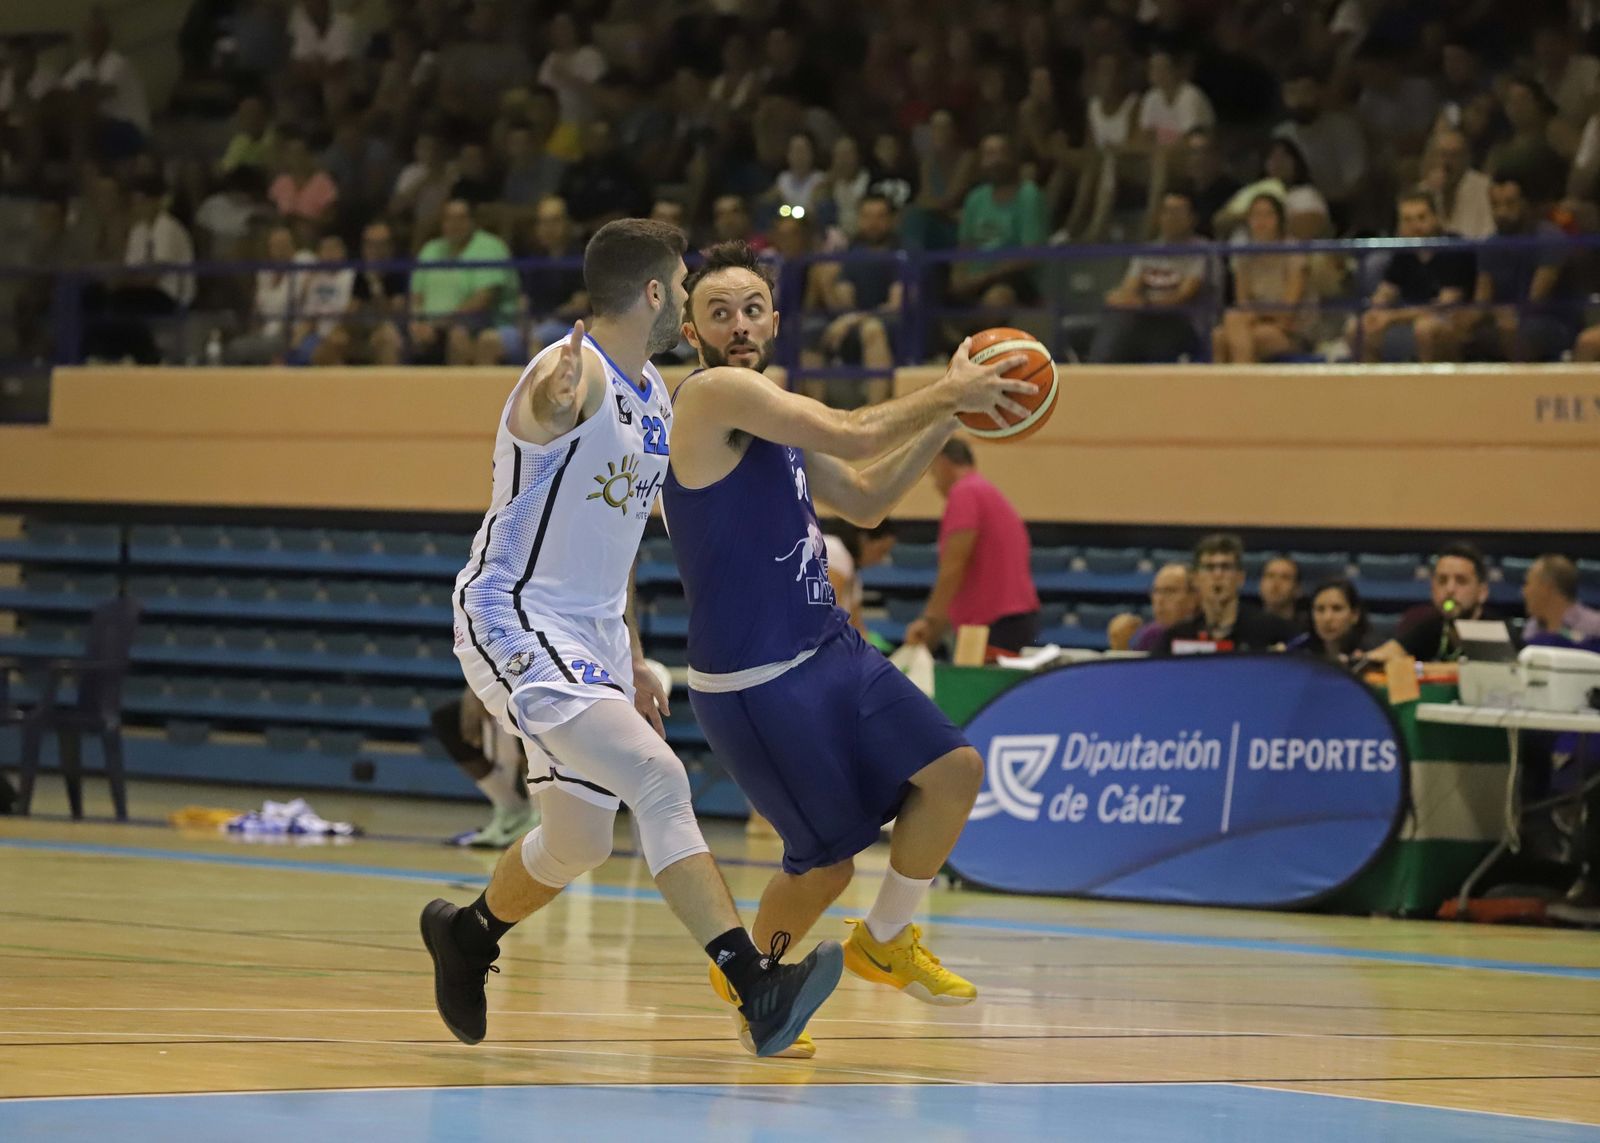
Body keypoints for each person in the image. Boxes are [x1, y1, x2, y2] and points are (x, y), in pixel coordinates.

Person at [422, 219, 842, 1060]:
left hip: (596, 630)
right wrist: (550, 401)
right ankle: (754, 984)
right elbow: (546, 408)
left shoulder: (655, 391)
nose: (690, 302)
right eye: (685, 286)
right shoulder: (563, 371)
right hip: (516, 611)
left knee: (579, 838)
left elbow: (611, 539)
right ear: (655, 293)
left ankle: (466, 935)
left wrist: (633, 652)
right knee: (657, 776)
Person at [663, 240, 1032, 1057]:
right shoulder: (711, 396)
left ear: (775, 319)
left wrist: (947, 415)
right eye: (718, 312)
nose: (738, 324)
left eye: (752, 308)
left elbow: (865, 498)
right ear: (690, 330)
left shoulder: (774, 414)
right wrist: (949, 388)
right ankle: (758, 990)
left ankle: (886, 938)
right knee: (825, 866)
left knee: (956, 772)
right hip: (757, 681)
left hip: (831, 648)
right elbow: (857, 433)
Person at [904, 439, 1041, 654]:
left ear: (943, 462)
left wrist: (930, 624)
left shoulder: (964, 493)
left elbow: (954, 566)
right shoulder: (986, 492)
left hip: (992, 625)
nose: (935, 483)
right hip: (1012, 618)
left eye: (933, 472)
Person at [1087, 187, 1209, 364]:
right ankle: (1096, 372)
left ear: (1192, 218)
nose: (1170, 217)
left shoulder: (1201, 250)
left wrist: (1146, 303)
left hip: (1181, 320)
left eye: (1177, 212)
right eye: (1166, 211)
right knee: (1117, 318)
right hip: (1145, 317)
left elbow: (1183, 295)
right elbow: (1128, 289)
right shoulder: (1148, 251)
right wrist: (1120, 298)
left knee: (1153, 339)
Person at [1356, 191, 1478, 363]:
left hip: (1455, 318)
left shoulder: (1454, 248)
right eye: (1407, 220)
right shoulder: (1404, 252)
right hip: (1412, 315)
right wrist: (1373, 312)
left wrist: (1391, 317)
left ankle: (1428, 388)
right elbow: (1385, 292)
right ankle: (1372, 388)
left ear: (1436, 218)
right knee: (1359, 327)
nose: (1415, 226)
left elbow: (1444, 304)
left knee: (1425, 328)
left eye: (1421, 218)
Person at [408, 199, 520, 366]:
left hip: (481, 323)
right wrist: (417, 323)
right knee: (387, 336)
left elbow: (483, 299)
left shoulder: (489, 247)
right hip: (431, 327)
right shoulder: (430, 249)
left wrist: (441, 323)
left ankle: (464, 392)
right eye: (449, 219)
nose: (454, 224)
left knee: (458, 335)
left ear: (472, 221)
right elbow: (416, 296)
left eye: (461, 218)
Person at [1211, 194, 1315, 364]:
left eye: (1268, 215)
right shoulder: (1245, 255)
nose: (1262, 221)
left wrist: (1257, 313)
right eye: (1256, 215)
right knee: (1218, 336)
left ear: (1279, 219)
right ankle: (1235, 382)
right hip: (1252, 324)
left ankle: (1242, 384)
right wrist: (1254, 315)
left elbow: (1287, 310)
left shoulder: (1293, 252)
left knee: (1237, 335)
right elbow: (1242, 303)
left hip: (1291, 330)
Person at [428, 687, 536, 848]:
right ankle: (510, 808)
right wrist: (475, 693)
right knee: (447, 718)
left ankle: (541, 816)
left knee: (526, 714)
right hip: (498, 685)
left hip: (543, 692)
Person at [1159, 534, 1294, 654]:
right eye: (1209, 568)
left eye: (1226, 567)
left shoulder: (1273, 631)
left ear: (1240, 577)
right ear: (1195, 579)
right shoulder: (1178, 636)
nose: (1218, 575)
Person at [1386, 542, 1495, 662]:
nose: (1450, 589)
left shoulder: (1498, 633)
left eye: (1461, 581)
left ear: (1482, 592)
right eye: (1442, 580)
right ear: (1432, 589)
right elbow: (1384, 655)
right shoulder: (1427, 626)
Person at [1112, 562, 1197, 653]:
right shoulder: (1151, 635)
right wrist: (1121, 647)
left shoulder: (1206, 634)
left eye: (1169, 591)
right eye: (1156, 591)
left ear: (1193, 597)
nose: (1159, 600)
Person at [1523, 555, 1600, 643]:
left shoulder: (1596, 626)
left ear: (1547, 587)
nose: (1524, 591)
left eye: (1528, 583)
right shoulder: (1532, 627)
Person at [1296, 579, 1373, 665]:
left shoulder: (1372, 648)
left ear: (1355, 615)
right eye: (1320, 609)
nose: (1327, 618)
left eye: (1337, 609)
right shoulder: (1300, 649)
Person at [1257, 556, 1303, 628]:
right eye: (1270, 576)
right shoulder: (1245, 627)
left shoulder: (1307, 632)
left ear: (1298, 589)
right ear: (1260, 585)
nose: (1276, 584)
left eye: (1285, 577)